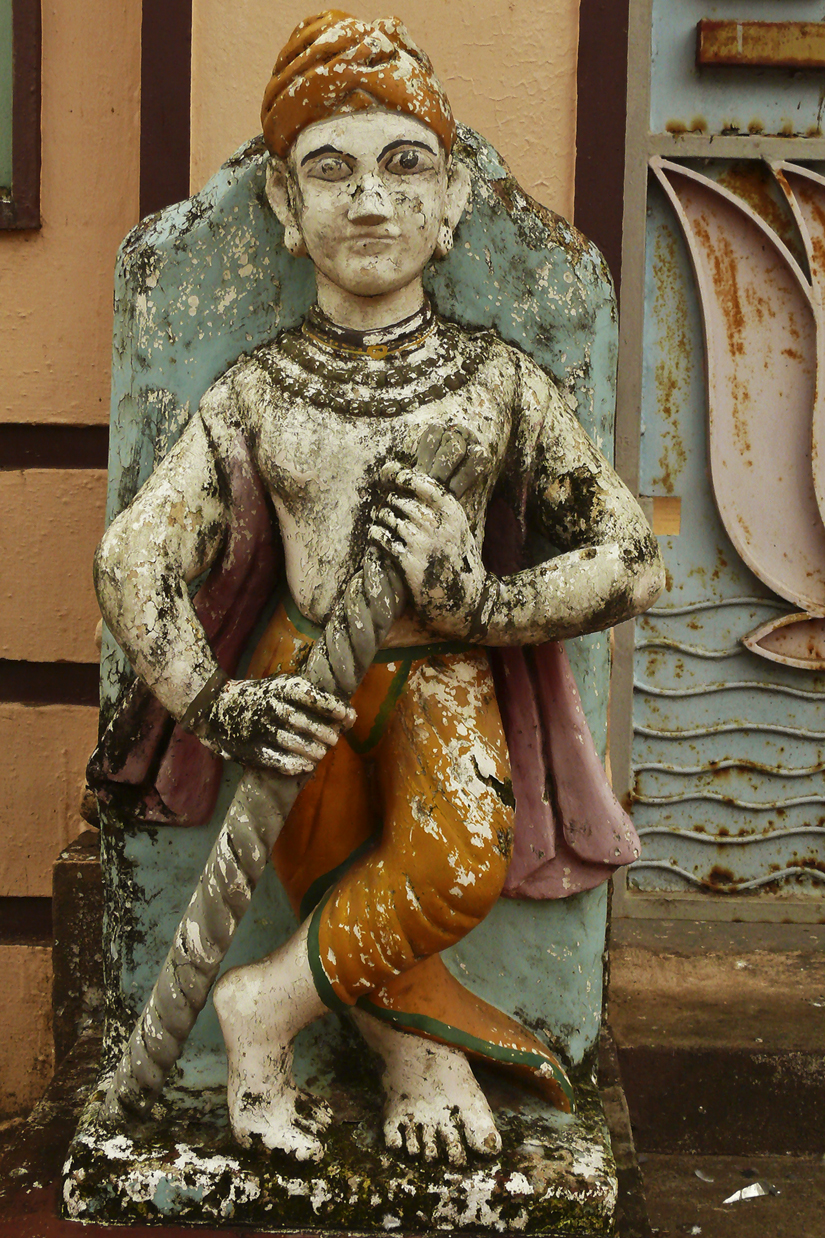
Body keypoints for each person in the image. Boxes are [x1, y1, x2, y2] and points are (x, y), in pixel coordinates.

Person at [94, 11, 664, 1165]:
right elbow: (132, 559)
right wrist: (216, 701)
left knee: (451, 865)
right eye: (331, 170)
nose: (370, 200)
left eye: (406, 167)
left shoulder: (496, 386)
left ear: (452, 204)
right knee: (343, 880)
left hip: (438, 668)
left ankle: (260, 1008)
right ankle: (415, 1054)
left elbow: (632, 557)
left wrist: (482, 604)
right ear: (285, 212)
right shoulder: (260, 392)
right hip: (295, 684)